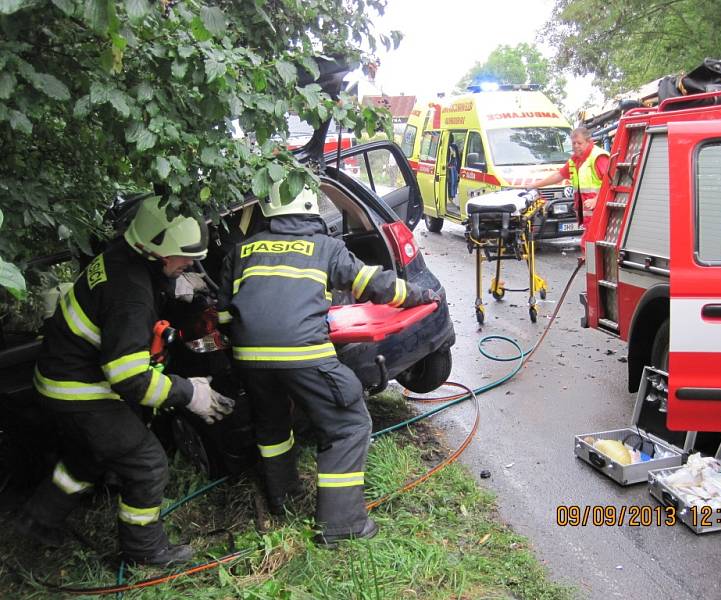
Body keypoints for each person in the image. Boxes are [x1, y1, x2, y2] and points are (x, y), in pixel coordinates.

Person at [17, 196, 235, 566]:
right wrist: (189, 394)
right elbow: (129, 378)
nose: (189, 265)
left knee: (86, 457)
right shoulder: (130, 295)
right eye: (182, 258)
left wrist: (171, 290)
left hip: (57, 377)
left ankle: (37, 520)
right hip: (80, 391)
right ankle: (143, 550)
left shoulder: (122, 254)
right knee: (147, 463)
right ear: (155, 251)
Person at [216, 187, 438, 546]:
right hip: (302, 354)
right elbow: (371, 285)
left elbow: (225, 314)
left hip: (248, 358)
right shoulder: (325, 246)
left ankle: (283, 499)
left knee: (272, 425)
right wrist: (417, 294)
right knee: (349, 423)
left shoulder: (243, 250)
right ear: (308, 206)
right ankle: (341, 525)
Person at [530, 127, 609, 251]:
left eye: (579, 143)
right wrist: (535, 185)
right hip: (589, 214)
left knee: (589, 246)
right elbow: (559, 175)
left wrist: (596, 200)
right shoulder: (575, 160)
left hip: (600, 212)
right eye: (573, 143)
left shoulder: (598, 157)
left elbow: (610, 181)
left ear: (589, 141)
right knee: (589, 246)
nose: (576, 146)